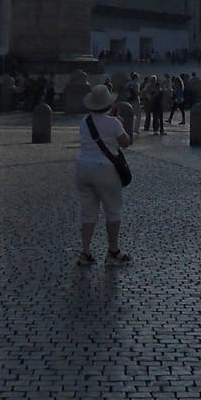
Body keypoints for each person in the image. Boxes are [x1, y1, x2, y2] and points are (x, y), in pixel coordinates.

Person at [74, 85, 131, 267]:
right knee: (112, 210)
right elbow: (126, 143)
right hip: (105, 170)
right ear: (108, 104)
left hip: (83, 167)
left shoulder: (84, 122)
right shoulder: (113, 123)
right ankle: (113, 251)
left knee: (88, 212)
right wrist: (120, 123)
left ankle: (85, 252)